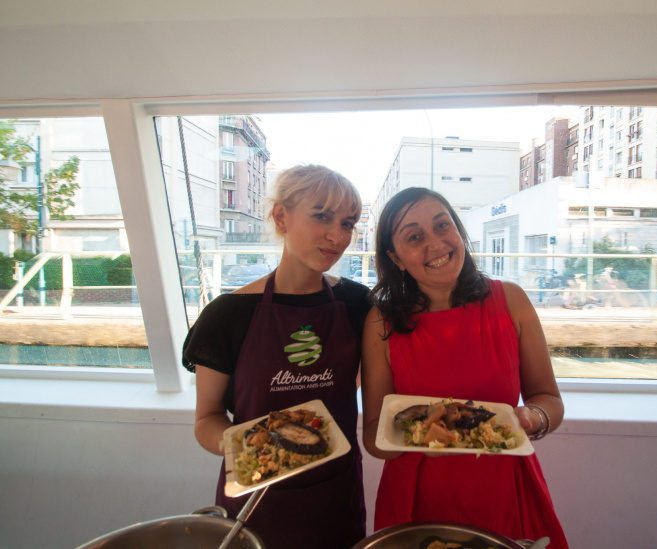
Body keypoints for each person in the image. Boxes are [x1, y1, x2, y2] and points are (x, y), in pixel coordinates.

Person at [361, 187, 568, 547]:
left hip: (505, 489)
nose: (436, 243)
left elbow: (548, 399)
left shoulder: (511, 300)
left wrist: (531, 418)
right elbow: (373, 435)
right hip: (417, 499)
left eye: (443, 226)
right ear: (395, 258)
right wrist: (416, 437)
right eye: (414, 237)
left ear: (458, 230)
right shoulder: (381, 322)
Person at [183, 164, 370, 548]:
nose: (338, 236)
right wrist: (253, 447)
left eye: (348, 223)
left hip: (335, 496)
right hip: (257, 498)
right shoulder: (227, 315)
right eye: (322, 216)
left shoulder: (358, 304)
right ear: (281, 217)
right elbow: (206, 419)